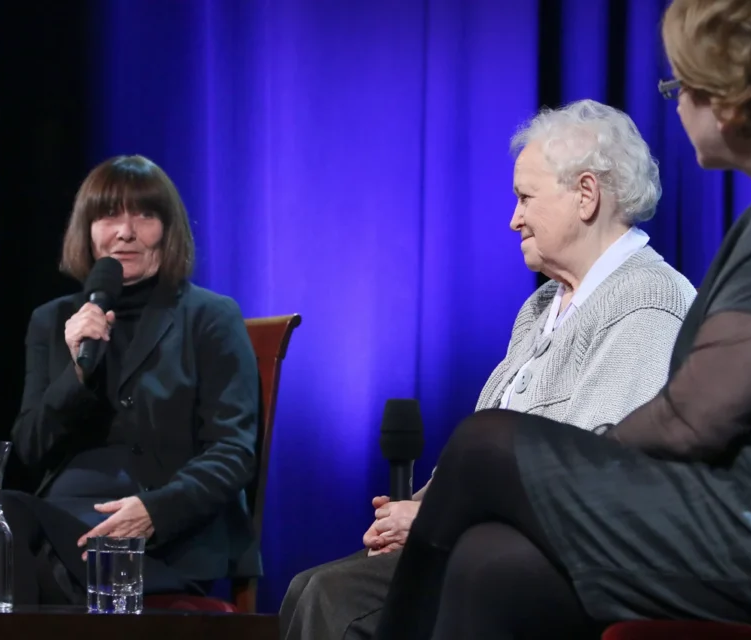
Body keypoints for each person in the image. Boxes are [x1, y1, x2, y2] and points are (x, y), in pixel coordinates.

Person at [370, 1, 751, 639]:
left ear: (731, 96)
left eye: (680, 84)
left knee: (488, 446)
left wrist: (571, 466)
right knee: (489, 568)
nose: (676, 101)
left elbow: (698, 419)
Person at [280, 99, 697, 640]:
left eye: (525, 198)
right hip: (492, 541)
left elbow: (596, 474)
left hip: (561, 567)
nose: (514, 218)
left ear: (586, 195)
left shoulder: (648, 301)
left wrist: (434, 524)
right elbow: (489, 449)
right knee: (304, 588)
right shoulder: (542, 306)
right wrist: (419, 507)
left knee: (334, 602)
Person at [6, 155, 260, 604]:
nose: (125, 231)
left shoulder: (210, 317)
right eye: (109, 215)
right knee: (0, 518)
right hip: (61, 517)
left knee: (34, 566)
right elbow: (28, 448)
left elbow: (233, 451)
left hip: (168, 532)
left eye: (144, 214)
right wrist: (78, 372)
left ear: (168, 230)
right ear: (87, 229)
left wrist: (155, 511)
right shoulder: (52, 321)